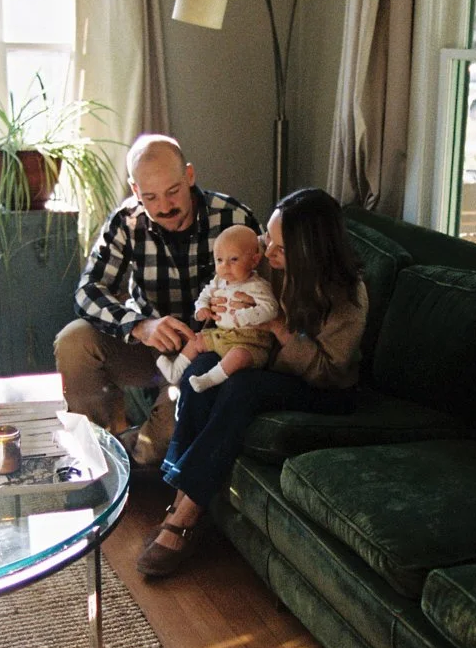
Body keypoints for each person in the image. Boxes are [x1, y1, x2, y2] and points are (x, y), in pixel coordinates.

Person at [137, 187, 367, 577]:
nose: (266, 250)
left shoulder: (348, 295)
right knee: (199, 370)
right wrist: (222, 308)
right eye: (268, 239)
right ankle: (181, 496)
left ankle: (185, 515)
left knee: (243, 387)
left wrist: (277, 327)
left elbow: (328, 371)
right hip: (263, 361)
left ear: (310, 251)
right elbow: (230, 277)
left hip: (323, 389)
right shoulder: (268, 261)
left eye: (278, 246)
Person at [54, 134, 259, 466]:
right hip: (149, 349)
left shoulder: (234, 219)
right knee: (73, 341)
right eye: (150, 197)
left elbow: (267, 289)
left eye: (173, 192)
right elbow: (87, 291)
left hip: (209, 354)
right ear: (136, 191)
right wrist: (139, 326)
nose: (165, 207)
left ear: (189, 176)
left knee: (157, 444)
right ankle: (93, 453)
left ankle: (122, 458)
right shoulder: (126, 221)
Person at [156, 224, 279, 393]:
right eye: (219, 260)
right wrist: (202, 308)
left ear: (254, 260)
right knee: (196, 339)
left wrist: (247, 315)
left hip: (249, 343)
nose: (225, 266)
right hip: (221, 336)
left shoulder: (257, 286)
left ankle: (209, 379)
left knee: (238, 357)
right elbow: (204, 295)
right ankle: (175, 371)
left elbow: (271, 309)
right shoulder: (218, 281)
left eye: (233, 259)